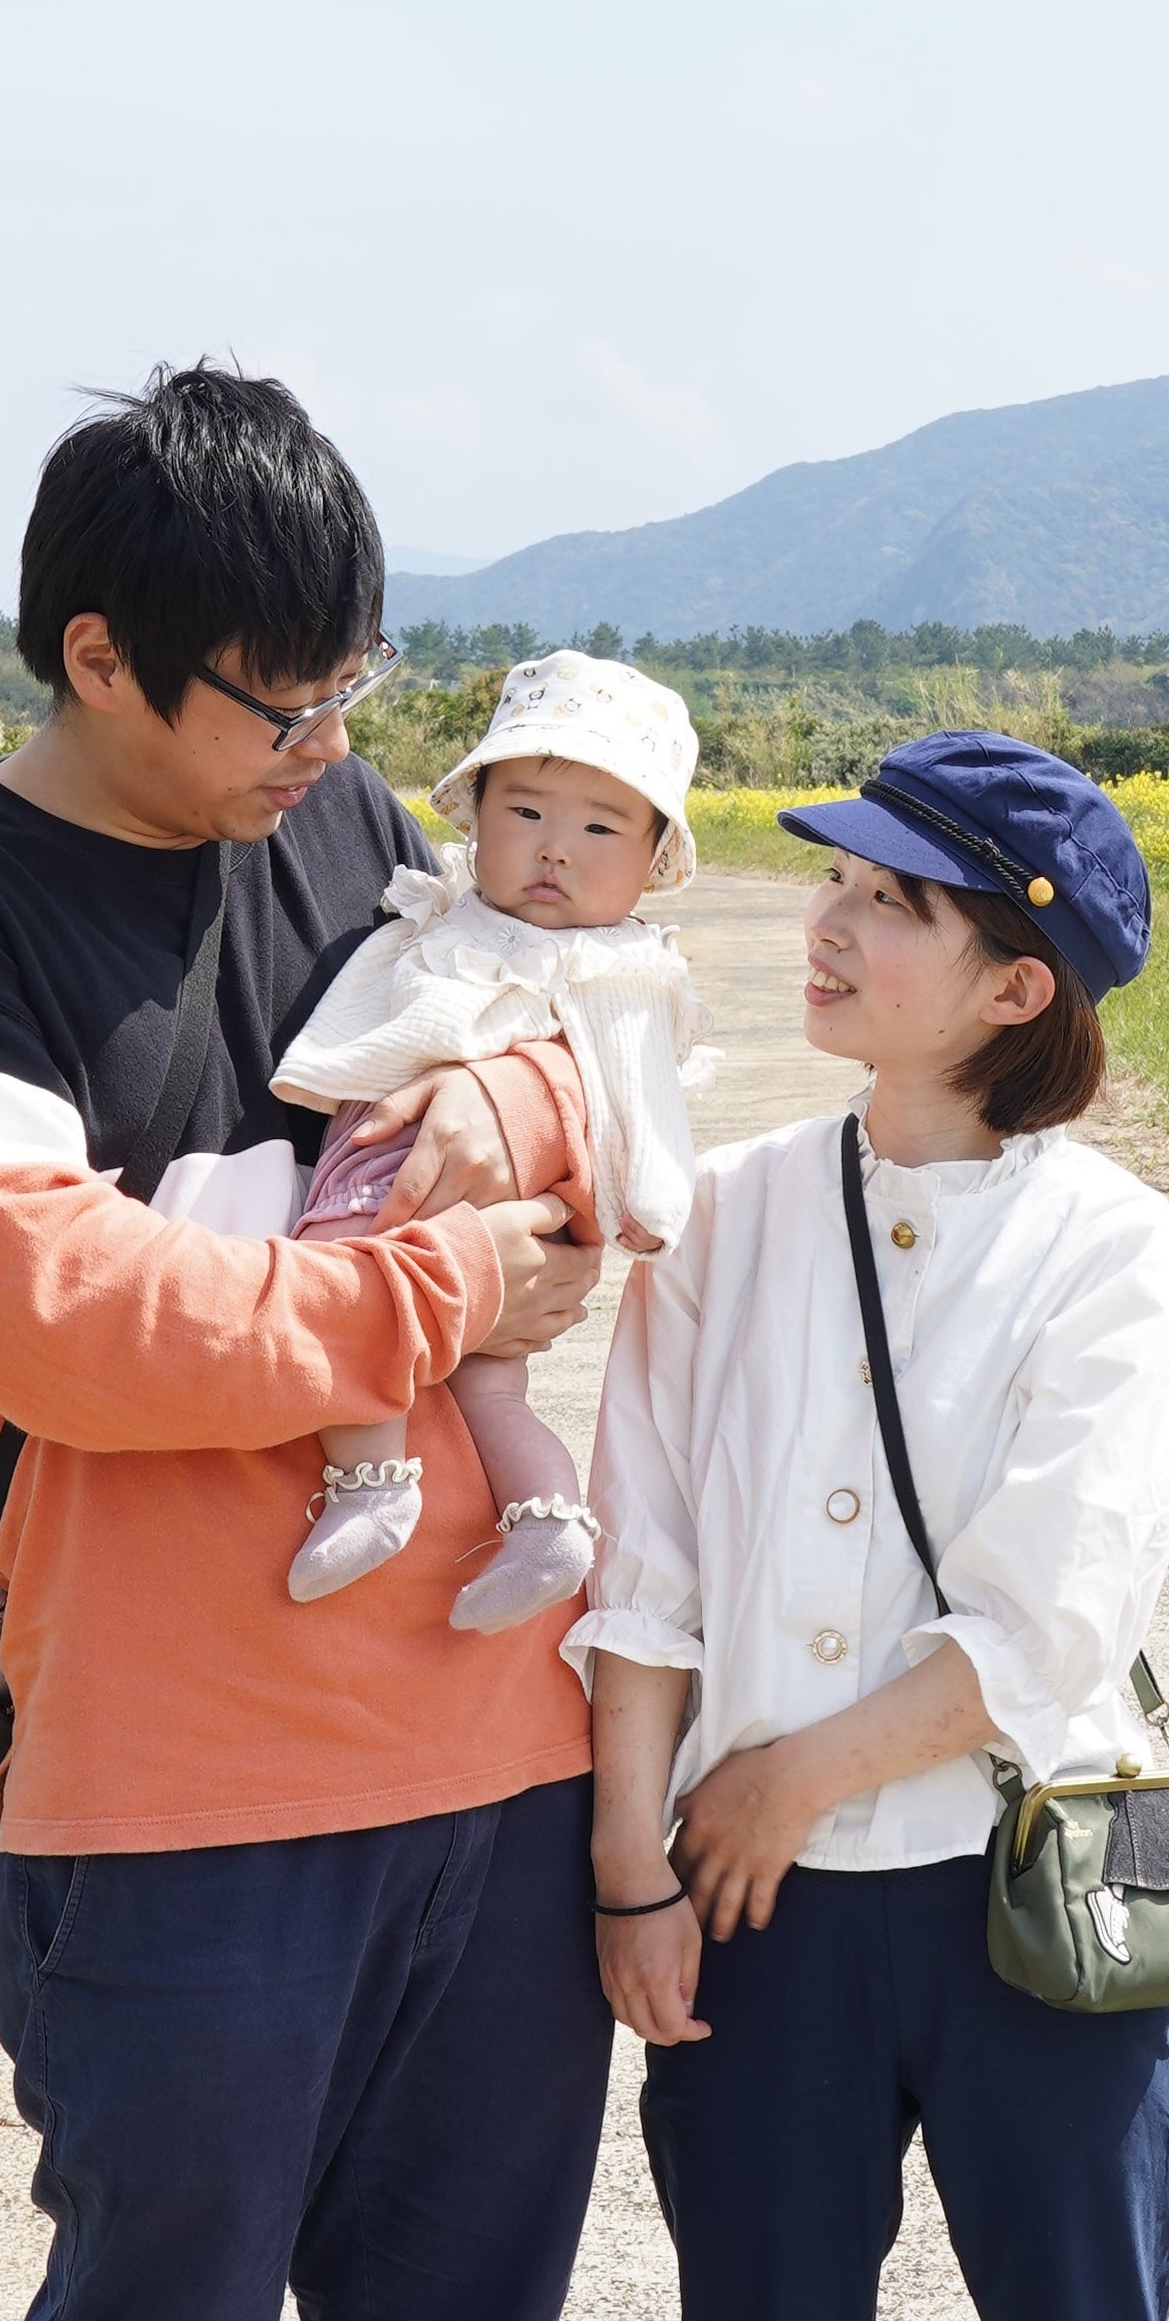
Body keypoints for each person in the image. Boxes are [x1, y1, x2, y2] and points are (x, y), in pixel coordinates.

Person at [0, 364, 614, 2320]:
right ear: (99, 656)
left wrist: (518, 1123)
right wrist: (446, 1292)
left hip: (497, 1752)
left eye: (359, 685)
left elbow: (590, 1076)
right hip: (182, 1790)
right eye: (281, 698)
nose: (328, 740)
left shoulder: (345, 824)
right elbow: (54, 1314)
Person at [573, 730, 1169, 2321]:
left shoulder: (1114, 1253)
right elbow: (643, 1566)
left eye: (893, 903)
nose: (827, 925)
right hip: (751, 1905)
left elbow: (1049, 1624)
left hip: (1035, 1885)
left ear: (1017, 989)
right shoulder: (723, 1209)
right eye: (833, 881)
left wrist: (788, 1776)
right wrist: (626, 1867)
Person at [274, 647, 715, 1632]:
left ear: (653, 861)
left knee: (346, 1276)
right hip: (452, 1192)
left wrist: (635, 1200)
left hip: (420, 1188)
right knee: (485, 1382)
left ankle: (374, 1481)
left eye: (600, 827)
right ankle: (547, 1525)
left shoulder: (622, 974)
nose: (556, 849)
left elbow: (639, 1107)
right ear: (474, 818)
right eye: (525, 814)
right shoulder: (443, 911)